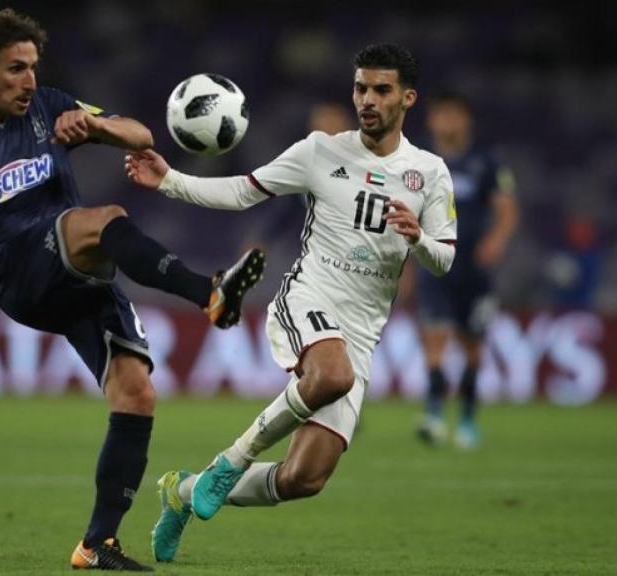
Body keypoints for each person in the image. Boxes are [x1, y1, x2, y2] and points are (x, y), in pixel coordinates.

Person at [0, 9, 265, 571]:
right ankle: (208, 292)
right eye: (15, 68)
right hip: (15, 270)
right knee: (104, 219)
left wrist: (95, 127)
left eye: (33, 67)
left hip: (76, 271)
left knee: (136, 394)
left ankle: (97, 544)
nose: (29, 80)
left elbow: (141, 136)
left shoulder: (48, 105)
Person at [125, 44, 457, 563]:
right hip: (308, 297)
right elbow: (244, 191)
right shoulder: (320, 151)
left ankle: (184, 491)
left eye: (381, 90)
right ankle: (231, 461)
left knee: (305, 478)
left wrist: (418, 238)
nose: (367, 100)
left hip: (362, 330)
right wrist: (169, 181)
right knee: (332, 375)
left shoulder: (429, 172)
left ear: (407, 98)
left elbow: (445, 259)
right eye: (361, 88)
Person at [414, 90, 518, 449]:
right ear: (432, 121)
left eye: (453, 114)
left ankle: (468, 420)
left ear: (466, 119)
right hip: (433, 265)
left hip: (472, 269)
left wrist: (497, 240)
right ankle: (433, 414)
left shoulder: (486, 163)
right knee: (434, 339)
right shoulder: (418, 161)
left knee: (472, 346)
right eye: (441, 115)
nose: (447, 122)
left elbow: (507, 209)